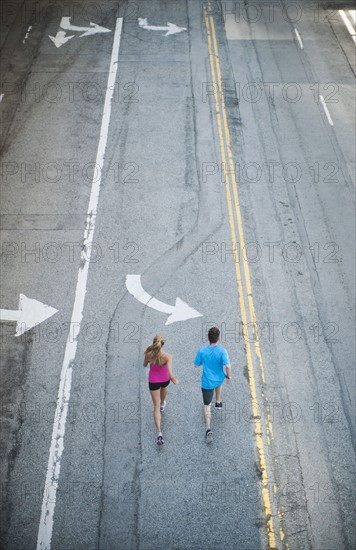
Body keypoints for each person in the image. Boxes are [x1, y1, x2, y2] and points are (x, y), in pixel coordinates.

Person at [194, 326, 232, 442]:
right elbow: (228, 366)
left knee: (207, 406)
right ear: (218, 338)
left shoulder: (202, 351)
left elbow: (196, 364)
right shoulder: (222, 351)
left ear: (208, 338)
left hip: (207, 382)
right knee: (219, 384)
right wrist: (228, 375)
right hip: (219, 378)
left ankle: (208, 429)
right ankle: (219, 402)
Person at [144, 335, 179, 445]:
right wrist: (173, 379)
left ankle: (159, 433)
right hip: (165, 380)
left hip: (153, 381)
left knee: (156, 406)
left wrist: (149, 361)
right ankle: (163, 403)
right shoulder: (168, 356)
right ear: (162, 344)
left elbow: (145, 365)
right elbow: (170, 371)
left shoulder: (148, 354)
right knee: (164, 390)